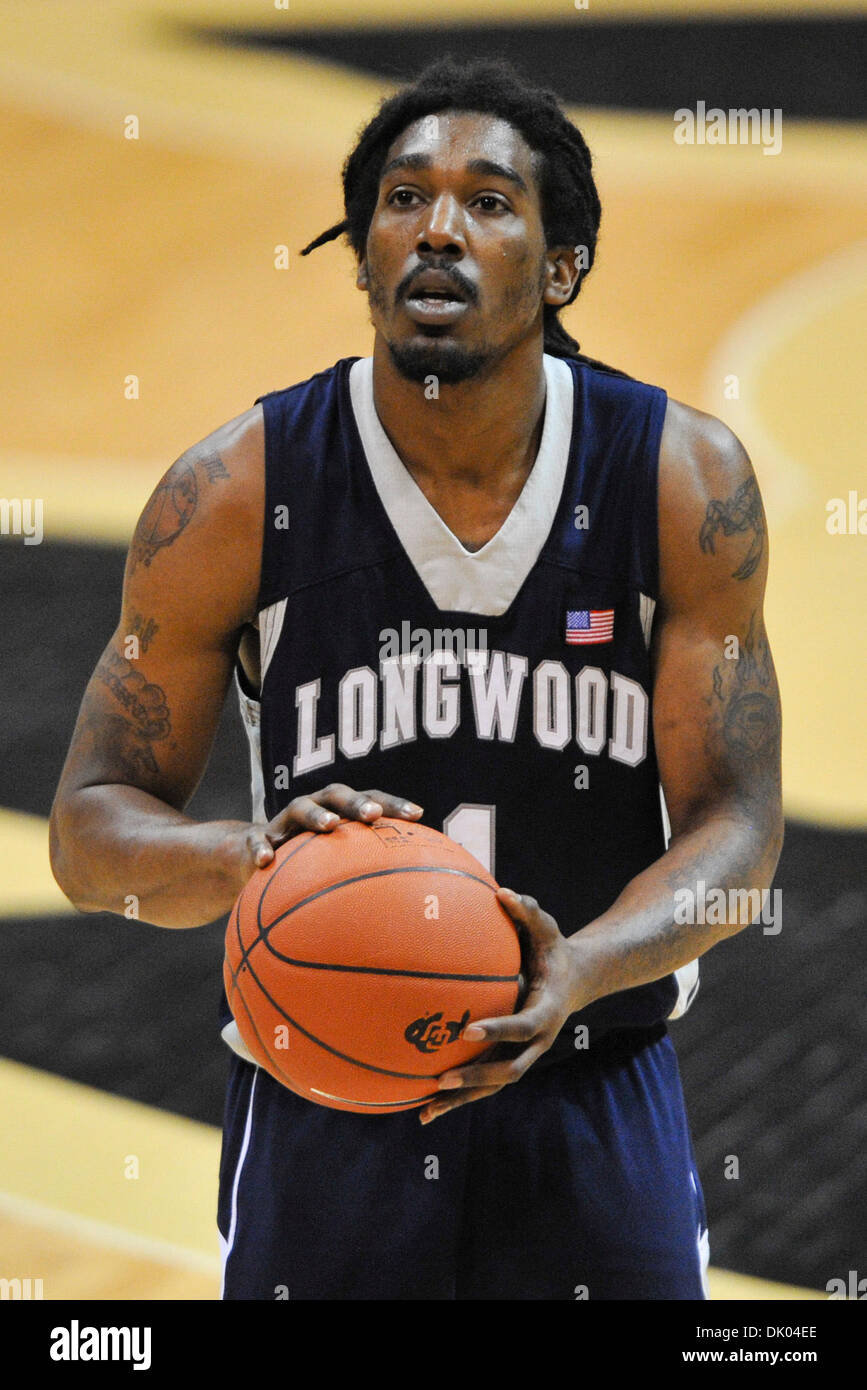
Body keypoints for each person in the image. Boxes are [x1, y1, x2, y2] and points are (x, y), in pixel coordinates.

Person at [49, 57, 783, 1300]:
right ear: (364, 251)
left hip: (593, 1083)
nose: (438, 226)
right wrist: (243, 859)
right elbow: (84, 832)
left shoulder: (679, 479)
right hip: (327, 1103)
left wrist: (585, 966)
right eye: (403, 196)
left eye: (489, 201)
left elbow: (741, 824)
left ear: (562, 269)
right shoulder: (232, 491)